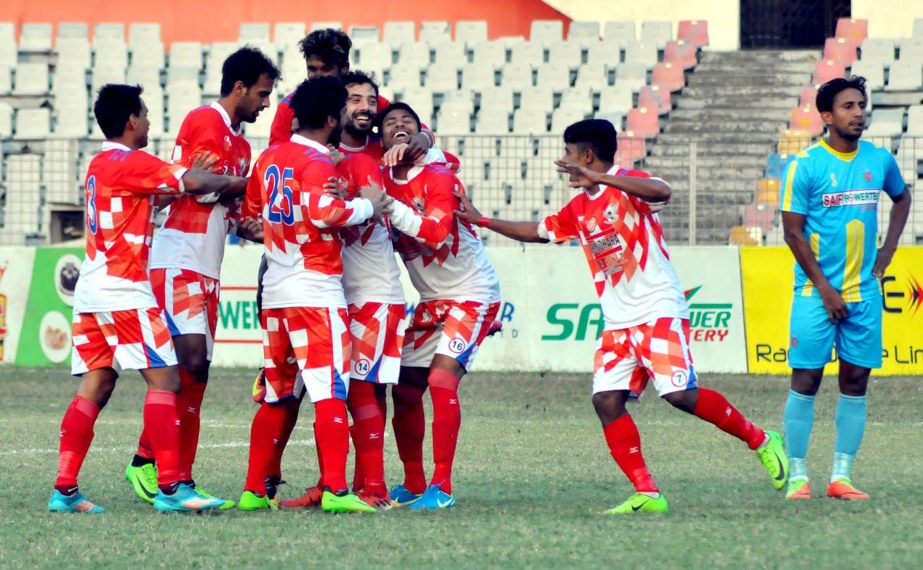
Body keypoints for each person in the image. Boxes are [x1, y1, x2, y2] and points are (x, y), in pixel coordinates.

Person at [453, 119, 789, 514]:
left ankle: (762, 441)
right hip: (617, 321)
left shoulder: (628, 184)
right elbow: (538, 231)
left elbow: (662, 190)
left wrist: (602, 178)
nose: (565, 161)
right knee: (606, 401)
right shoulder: (579, 207)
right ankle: (647, 492)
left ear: (587, 156)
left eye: (569, 153)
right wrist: (482, 221)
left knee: (680, 395)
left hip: (657, 309)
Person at [48, 84, 248, 514]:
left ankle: (64, 489)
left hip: (92, 288)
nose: (150, 122)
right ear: (131, 122)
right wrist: (239, 181)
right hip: (124, 289)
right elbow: (191, 181)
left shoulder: (101, 164)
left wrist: (182, 176)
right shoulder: (131, 161)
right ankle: (172, 486)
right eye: (145, 114)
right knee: (166, 381)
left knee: (97, 384)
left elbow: (159, 192)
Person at [124, 46, 279, 510]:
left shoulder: (242, 144)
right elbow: (198, 187)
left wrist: (246, 222)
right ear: (238, 88)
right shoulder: (205, 121)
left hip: (207, 262)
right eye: (262, 94)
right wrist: (243, 185)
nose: (265, 104)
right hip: (177, 255)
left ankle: (173, 472)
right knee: (187, 362)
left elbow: (221, 198)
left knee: (197, 372)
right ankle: (148, 462)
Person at [237, 76, 391, 513]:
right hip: (315, 289)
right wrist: (369, 207)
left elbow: (250, 214)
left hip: (276, 290)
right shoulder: (319, 163)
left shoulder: (268, 157)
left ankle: (252, 490)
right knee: (329, 390)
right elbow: (326, 214)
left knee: (277, 391)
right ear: (329, 118)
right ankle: (339, 493)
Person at [779, 76, 910, 501]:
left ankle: (842, 476)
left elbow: (902, 198)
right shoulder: (805, 165)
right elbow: (793, 233)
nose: (858, 113)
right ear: (826, 116)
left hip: (864, 294)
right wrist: (825, 288)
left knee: (855, 379)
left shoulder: (879, 159)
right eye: (849, 106)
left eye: (861, 105)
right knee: (807, 379)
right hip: (814, 295)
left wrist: (888, 250)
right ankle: (798, 475)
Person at [378, 103, 501, 510]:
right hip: (433, 300)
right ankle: (413, 482)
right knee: (406, 389)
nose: (399, 127)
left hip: (472, 291)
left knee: (440, 382)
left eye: (407, 123)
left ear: (419, 132)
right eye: (390, 123)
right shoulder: (379, 176)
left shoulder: (437, 171)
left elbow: (434, 233)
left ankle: (441, 487)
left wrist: (388, 203)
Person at [269, 27, 432, 165]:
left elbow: (410, 123)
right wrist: (317, 162)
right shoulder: (290, 105)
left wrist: (423, 138)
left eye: (326, 68)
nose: (318, 76)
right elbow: (274, 159)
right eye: (312, 69)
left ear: (344, 68)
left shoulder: (363, 101)